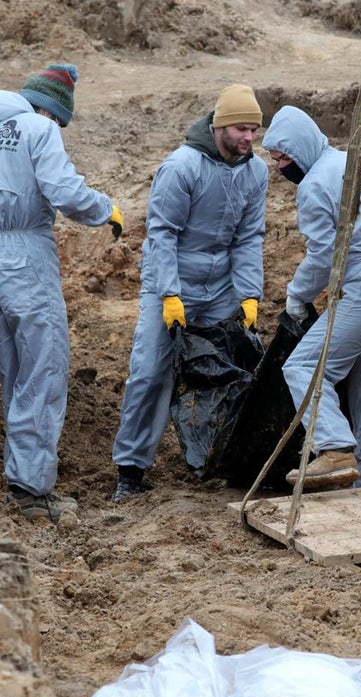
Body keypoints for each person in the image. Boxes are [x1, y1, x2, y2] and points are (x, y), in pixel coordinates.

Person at [0, 63, 123, 522]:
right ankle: (32, 491)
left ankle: (22, 476)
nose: (59, 127)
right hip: (26, 254)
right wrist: (105, 210)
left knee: (13, 368)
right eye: (60, 119)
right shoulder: (39, 129)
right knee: (45, 366)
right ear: (50, 110)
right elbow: (64, 191)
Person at [112, 84, 268, 502]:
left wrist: (249, 294)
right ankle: (130, 469)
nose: (248, 138)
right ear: (219, 126)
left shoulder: (256, 172)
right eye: (240, 129)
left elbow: (249, 237)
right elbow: (162, 232)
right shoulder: (182, 167)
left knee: (222, 371)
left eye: (254, 129)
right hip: (174, 281)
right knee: (150, 372)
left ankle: (219, 458)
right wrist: (168, 293)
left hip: (220, 288)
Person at [261, 105, 361, 489]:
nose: (281, 167)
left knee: (303, 368)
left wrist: (297, 295)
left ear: (298, 149)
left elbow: (324, 256)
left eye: (283, 158)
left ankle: (333, 448)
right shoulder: (352, 162)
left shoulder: (315, 184)